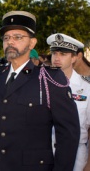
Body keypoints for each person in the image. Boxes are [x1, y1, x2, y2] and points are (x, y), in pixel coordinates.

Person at [0, 10, 80, 171]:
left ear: (32, 43)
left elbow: (68, 134)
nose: (10, 42)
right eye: (6, 38)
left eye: (18, 37)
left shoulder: (50, 79)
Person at [48, 33, 90, 171]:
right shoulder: (41, 84)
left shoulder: (86, 88)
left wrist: (89, 163)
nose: (57, 58)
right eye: (54, 53)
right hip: (44, 153)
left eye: (63, 54)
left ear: (74, 58)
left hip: (77, 156)